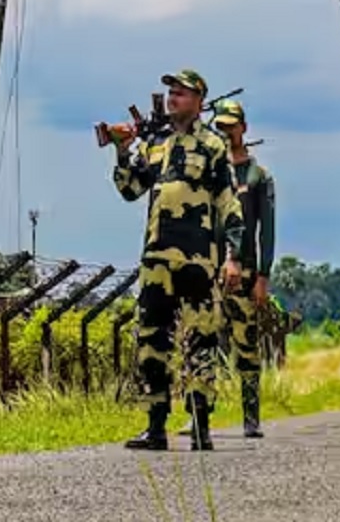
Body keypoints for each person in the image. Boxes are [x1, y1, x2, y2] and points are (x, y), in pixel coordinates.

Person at [107, 69, 245, 452]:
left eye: (182, 93)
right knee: (152, 338)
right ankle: (155, 426)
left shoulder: (213, 146)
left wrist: (233, 258)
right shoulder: (157, 144)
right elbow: (130, 190)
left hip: (200, 259)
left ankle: (200, 422)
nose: (173, 100)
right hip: (157, 257)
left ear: (199, 101)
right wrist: (121, 151)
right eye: (171, 93)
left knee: (202, 338)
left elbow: (228, 202)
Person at [212, 98, 276, 438]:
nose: (226, 132)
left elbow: (267, 228)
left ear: (243, 128)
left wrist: (263, 276)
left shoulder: (257, 175)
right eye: (220, 126)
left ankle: (251, 417)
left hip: (246, 270)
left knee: (246, 344)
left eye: (231, 126)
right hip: (208, 269)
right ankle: (198, 415)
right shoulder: (210, 171)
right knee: (200, 342)